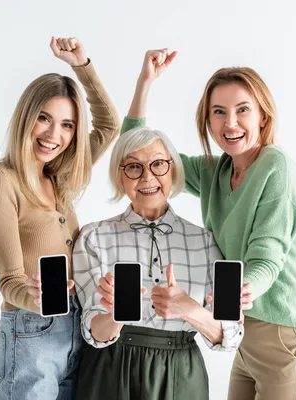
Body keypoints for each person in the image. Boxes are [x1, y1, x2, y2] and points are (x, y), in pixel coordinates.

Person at [121, 49, 296, 400]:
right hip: (241, 338)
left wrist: (245, 288)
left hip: (284, 336)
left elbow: (267, 258)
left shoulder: (278, 169)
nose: (230, 123)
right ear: (208, 121)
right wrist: (145, 83)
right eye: (219, 112)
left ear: (262, 116)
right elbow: (137, 152)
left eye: (242, 110)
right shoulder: (215, 172)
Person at [0, 36, 120, 399]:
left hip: (75, 327)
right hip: (30, 330)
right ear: (27, 116)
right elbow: (9, 281)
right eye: (44, 118)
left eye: (68, 125)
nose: (55, 134)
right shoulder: (0, 181)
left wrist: (81, 66)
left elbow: (108, 125)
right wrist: (35, 299)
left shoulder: (59, 180)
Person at [71, 127, 250, 400]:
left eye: (158, 164)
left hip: (181, 374)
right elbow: (93, 331)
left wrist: (191, 310)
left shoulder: (205, 242)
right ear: (120, 176)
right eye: (133, 166)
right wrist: (116, 314)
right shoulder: (94, 238)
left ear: (173, 171)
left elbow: (231, 336)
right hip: (109, 369)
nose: (147, 177)